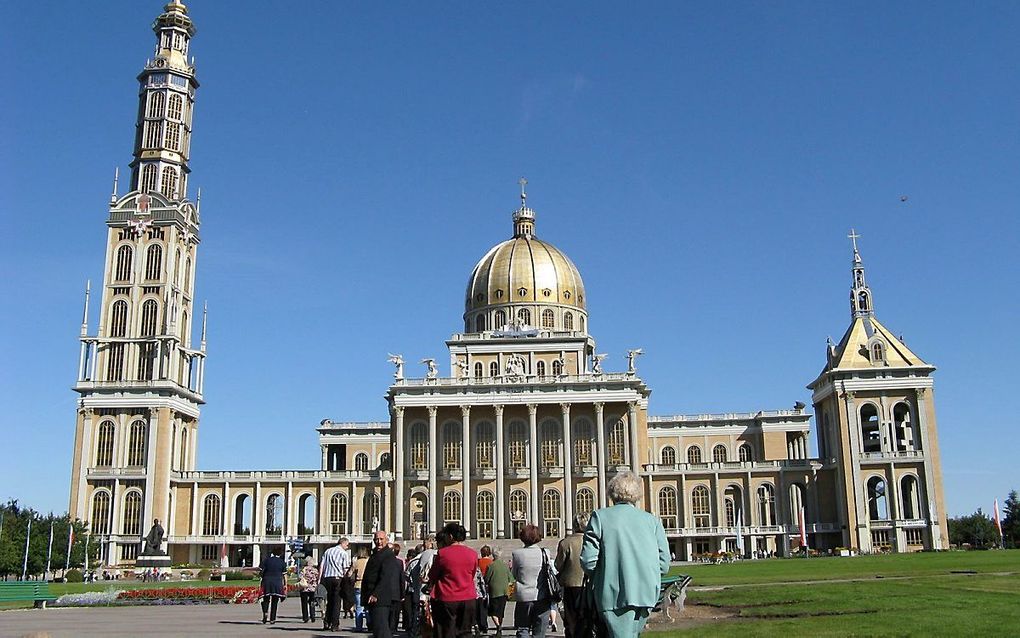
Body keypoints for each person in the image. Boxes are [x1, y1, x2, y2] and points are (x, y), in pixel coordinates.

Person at [580, 470, 670, 637]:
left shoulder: (600, 517)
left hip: (613, 595)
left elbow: (588, 562)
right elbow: (664, 564)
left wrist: (604, 574)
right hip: (646, 594)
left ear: (612, 493)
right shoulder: (652, 521)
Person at [428, 522, 479, 638]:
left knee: (447, 631)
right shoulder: (472, 554)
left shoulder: (443, 553)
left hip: (447, 597)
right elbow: (472, 573)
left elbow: (433, 574)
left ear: (450, 536)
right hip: (468, 598)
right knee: (465, 631)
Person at [511, 524, 553, 638]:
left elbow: (514, 575)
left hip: (524, 597)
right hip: (541, 596)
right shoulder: (545, 553)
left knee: (523, 629)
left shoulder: (517, 554)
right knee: (539, 632)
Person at [555, 512, 591, 638]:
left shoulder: (566, 543)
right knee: (587, 616)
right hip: (588, 585)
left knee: (571, 618)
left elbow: (558, 565)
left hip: (570, 584)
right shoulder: (592, 541)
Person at [363, 530, 403, 638]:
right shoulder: (376, 553)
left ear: (386, 540)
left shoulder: (388, 555)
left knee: (381, 629)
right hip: (373, 596)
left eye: (381, 539)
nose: (379, 542)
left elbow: (385, 577)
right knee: (377, 628)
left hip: (380, 598)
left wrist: (376, 594)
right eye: (376, 539)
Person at [320, 537, 353, 631]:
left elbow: (322, 565)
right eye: (347, 544)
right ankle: (335, 624)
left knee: (330, 601)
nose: (347, 546)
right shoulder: (344, 553)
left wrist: (320, 579)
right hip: (338, 578)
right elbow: (345, 568)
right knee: (337, 602)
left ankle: (327, 621)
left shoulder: (328, 551)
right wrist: (348, 577)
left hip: (327, 578)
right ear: (342, 543)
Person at [483, 547, 512, 638]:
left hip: (494, 591)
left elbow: (486, 579)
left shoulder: (491, 566)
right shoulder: (505, 566)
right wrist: (510, 593)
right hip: (504, 591)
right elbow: (511, 579)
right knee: (501, 611)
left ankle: (498, 626)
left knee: (493, 611)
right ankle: (499, 626)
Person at [258, 547, 288, 625]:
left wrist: (261, 577)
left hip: (266, 581)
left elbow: (260, 570)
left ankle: (265, 612)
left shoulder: (266, 560)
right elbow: (284, 575)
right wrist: (285, 585)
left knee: (266, 598)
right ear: (280, 554)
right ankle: (272, 619)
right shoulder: (282, 562)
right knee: (275, 601)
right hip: (277, 582)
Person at [352, 546, 371, 631]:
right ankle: (370, 625)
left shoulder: (356, 562)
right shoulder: (369, 561)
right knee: (367, 607)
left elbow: (349, 574)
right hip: (367, 585)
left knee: (359, 608)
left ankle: (359, 627)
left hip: (358, 584)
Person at [299, 558, 322, 624]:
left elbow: (300, 577)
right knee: (312, 602)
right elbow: (318, 578)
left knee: (304, 603)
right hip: (313, 588)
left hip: (304, 588)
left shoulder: (303, 569)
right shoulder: (315, 570)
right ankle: (313, 616)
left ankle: (305, 617)